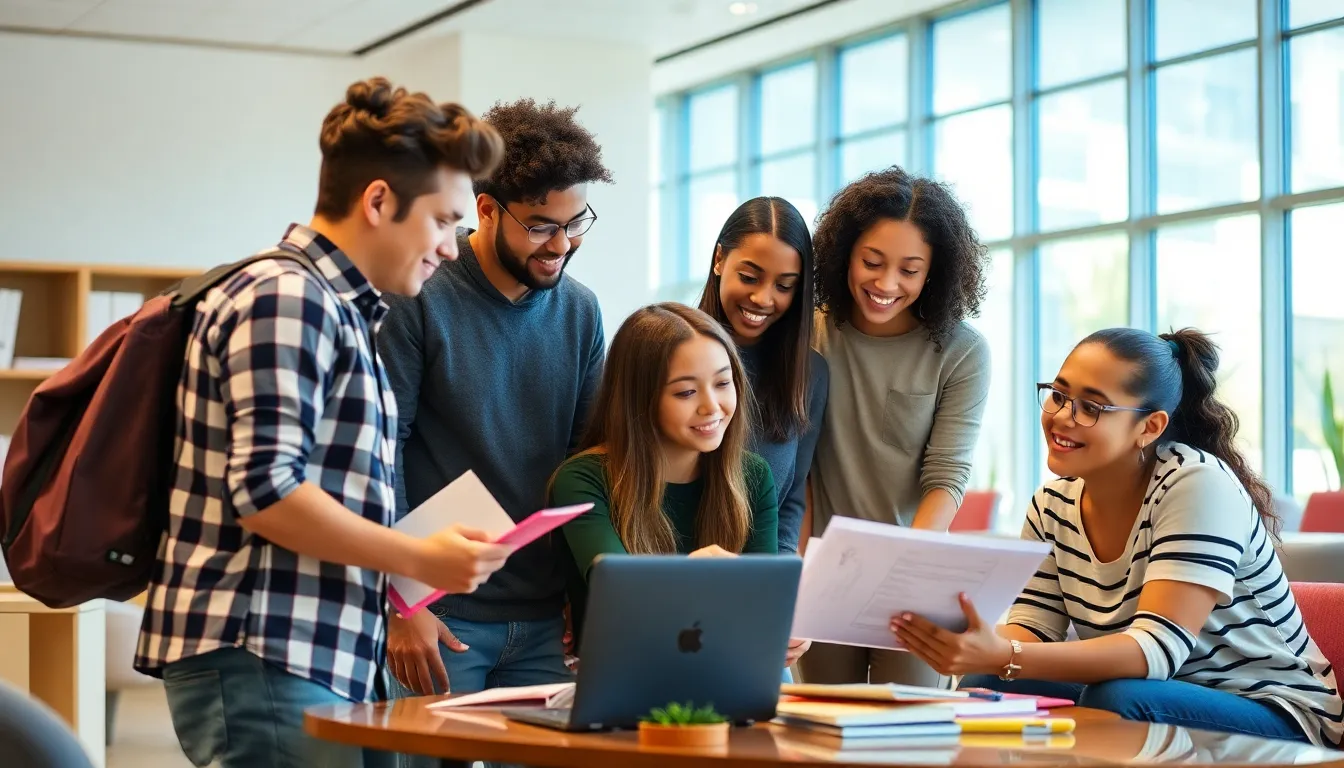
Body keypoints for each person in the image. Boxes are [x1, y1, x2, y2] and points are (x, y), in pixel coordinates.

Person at [133, 78, 513, 768]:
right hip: (266, 648)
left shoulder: (336, 310)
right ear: (378, 201)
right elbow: (267, 491)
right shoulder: (288, 297)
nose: (453, 248)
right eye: (443, 221)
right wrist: (421, 559)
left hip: (305, 650)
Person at [891, 328, 1344, 748]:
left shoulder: (1197, 485)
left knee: (1120, 700)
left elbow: (1154, 650)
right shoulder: (1053, 504)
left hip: (1277, 712)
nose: (1063, 417)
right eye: (1058, 395)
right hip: (1159, 692)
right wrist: (970, 641)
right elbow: (1032, 628)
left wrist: (1003, 654)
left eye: (1092, 407)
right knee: (987, 686)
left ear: (1149, 427)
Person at [379, 99, 611, 712]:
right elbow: (383, 455)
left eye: (576, 222)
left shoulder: (581, 311)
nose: (562, 244)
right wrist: (405, 602)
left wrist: (582, 602)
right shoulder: (419, 293)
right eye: (541, 225)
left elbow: (584, 463)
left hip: (543, 620)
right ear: (485, 208)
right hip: (441, 614)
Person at [799, 166, 991, 689]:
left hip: (915, 578)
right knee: (823, 726)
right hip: (826, 573)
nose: (886, 285)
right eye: (872, 262)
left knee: (909, 736)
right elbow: (799, 470)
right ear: (843, 254)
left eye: (909, 269)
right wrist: (800, 567)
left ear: (936, 272)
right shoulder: (810, 335)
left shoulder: (960, 351)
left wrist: (904, 565)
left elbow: (946, 476)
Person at [548, 303, 809, 670]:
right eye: (686, 393)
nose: (712, 407)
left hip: (724, 664)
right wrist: (697, 573)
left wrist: (791, 623)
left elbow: (760, 601)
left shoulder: (753, 476)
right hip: (623, 671)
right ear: (640, 399)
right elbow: (618, 592)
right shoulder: (583, 479)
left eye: (722, 383)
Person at [696, 196, 828, 554]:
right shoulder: (668, 355)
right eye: (750, 277)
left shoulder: (810, 375)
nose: (762, 298)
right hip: (672, 576)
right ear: (720, 260)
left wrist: (780, 573)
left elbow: (792, 500)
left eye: (784, 286)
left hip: (758, 581)